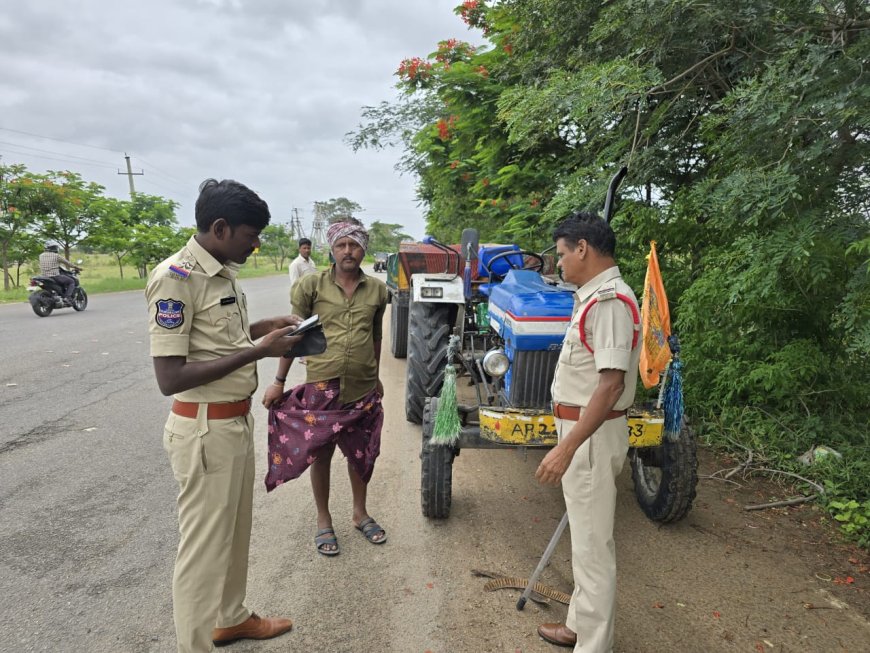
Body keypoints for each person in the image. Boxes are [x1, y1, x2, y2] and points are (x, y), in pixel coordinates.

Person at [145, 178, 304, 653]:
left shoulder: (222, 270)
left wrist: (264, 327)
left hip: (232, 424)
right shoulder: (175, 277)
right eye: (249, 235)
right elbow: (170, 377)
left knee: (235, 533)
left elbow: (216, 339)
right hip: (203, 428)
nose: (256, 245)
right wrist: (259, 350)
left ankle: (230, 619)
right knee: (202, 552)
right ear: (219, 227)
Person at [534, 211, 641, 652]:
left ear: (582, 248)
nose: (558, 264)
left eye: (561, 254)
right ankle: (579, 625)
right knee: (584, 539)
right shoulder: (592, 294)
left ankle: (593, 646)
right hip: (583, 433)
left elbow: (611, 384)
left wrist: (566, 448)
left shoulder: (611, 301)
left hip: (590, 438)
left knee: (594, 548)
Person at [262, 218, 389, 556]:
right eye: (342, 245)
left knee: (361, 453)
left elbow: (374, 337)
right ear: (331, 249)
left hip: (362, 386)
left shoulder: (378, 290)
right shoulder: (311, 287)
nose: (348, 251)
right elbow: (294, 335)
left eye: (355, 245)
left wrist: (375, 376)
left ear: (364, 248)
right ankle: (323, 519)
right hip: (322, 385)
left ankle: (360, 514)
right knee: (322, 453)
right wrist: (278, 381)